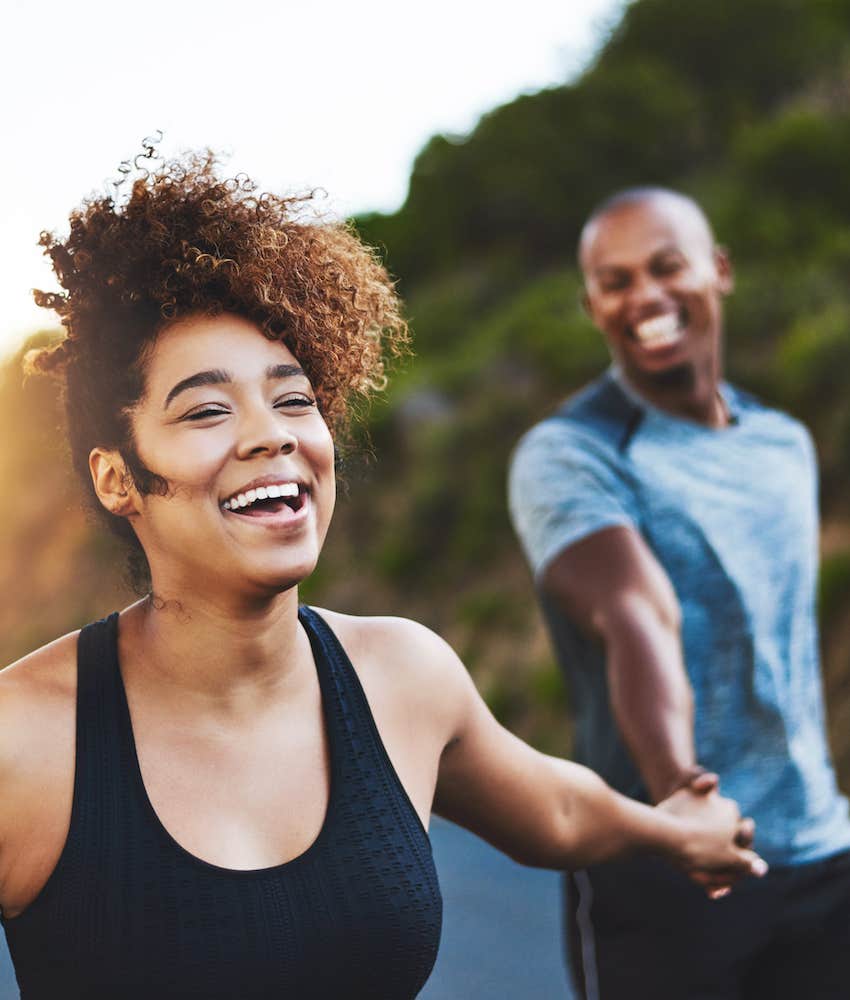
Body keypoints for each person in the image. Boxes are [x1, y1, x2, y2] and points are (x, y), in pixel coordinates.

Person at [0, 157, 763, 1000]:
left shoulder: (403, 675)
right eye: (208, 410)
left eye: (294, 400)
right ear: (117, 479)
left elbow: (557, 808)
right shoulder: (21, 743)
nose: (270, 436)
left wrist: (673, 833)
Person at [509, 186, 850, 1000]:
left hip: (819, 850)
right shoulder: (567, 453)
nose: (646, 296)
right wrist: (680, 796)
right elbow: (635, 612)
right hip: (663, 863)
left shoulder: (784, 444)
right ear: (593, 304)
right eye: (617, 280)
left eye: (667, 267)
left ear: (718, 271)